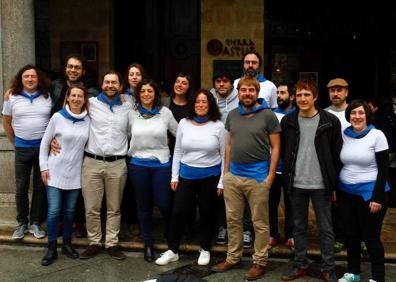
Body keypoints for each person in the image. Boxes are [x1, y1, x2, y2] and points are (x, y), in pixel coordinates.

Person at [211, 76, 281, 281]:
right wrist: (225, 174)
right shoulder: (232, 115)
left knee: (259, 223)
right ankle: (233, 257)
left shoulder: (268, 115)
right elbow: (229, 146)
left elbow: (276, 147)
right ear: (238, 92)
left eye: (251, 90)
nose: (247, 93)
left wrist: (270, 176)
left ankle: (259, 262)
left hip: (258, 177)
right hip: (234, 176)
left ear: (257, 93)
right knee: (233, 220)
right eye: (243, 90)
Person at [280, 79, 342, 282]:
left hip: (321, 184)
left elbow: (336, 155)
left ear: (315, 97)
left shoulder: (330, 121)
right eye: (299, 95)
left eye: (307, 94)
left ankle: (328, 267)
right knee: (298, 227)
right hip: (296, 183)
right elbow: (283, 151)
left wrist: (333, 184)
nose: (303, 98)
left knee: (326, 228)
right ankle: (300, 264)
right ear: (294, 97)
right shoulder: (288, 121)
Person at [155, 89, 225, 266]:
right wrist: (174, 176)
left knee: (207, 214)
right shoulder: (184, 123)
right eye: (197, 102)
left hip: (210, 176)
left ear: (210, 104)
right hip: (185, 176)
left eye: (204, 102)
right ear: (193, 104)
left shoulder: (218, 125)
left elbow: (225, 155)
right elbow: (177, 150)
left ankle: (205, 248)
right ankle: (173, 250)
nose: (201, 105)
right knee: (178, 212)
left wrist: (222, 181)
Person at [78, 71, 131, 260]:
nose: (110, 85)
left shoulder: (128, 105)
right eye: (107, 82)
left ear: (120, 86)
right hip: (92, 162)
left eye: (114, 82)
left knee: (114, 207)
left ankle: (111, 243)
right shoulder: (90, 103)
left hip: (117, 163)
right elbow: (69, 111)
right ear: (102, 84)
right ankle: (94, 242)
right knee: (91, 207)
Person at [338, 100, 389, 282]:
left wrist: (377, 198)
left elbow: (384, 169)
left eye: (361, 113)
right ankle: (353, 272)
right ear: (348, 116)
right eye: (353, 113)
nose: (357, 117)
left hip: (370, 194)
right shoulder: (345, 135)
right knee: (351, 235)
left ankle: (378, 277)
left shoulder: (377, 135)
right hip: (346, 193)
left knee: (371, 237)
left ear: (367, 115)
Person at [39, 83, 90, 266]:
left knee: (69, 212)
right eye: (73, 95)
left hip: (76, 174)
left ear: (84, 100)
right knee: (54, 211)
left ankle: (67, 244)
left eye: (80, 96)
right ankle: (51, 248)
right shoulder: (57, 117)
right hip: (55, 171)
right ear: (67, 97)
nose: (76, 99)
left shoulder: (88, 120)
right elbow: (45, 143)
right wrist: (43, 168)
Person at [128, 79, 178, 262]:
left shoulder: (165, 113)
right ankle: (147, 244)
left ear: (155, 94)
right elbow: (124, 134)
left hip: (161, 165)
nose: (146, 94)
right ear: (138, 94)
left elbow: (179, 133)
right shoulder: (132, 114)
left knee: (164, 204)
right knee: (143, 206)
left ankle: (171, 240)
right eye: (143, 92)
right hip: (138, 165)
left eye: (150, 91)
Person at [50, 53, 98, 238]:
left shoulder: (91, 90)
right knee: (57, 186)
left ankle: (78, 222)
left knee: (78, 188)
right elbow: (50, 112)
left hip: (80, 145)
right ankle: (60, 223)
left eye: (77, 67)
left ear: (83, 71)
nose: (73, 70)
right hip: (60, 145)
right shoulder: (56, 86)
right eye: (70, 66)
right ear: (65, 68)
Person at [2, 64, 51, 240]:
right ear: (21, 79)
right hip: (22, 148)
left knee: (40, 187)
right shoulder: (12, 97)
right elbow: (7, 122)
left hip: (42, 150)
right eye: (26, 76)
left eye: (33, 76)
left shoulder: (47, 96)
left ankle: (35, 223)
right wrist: (14, 142)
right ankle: (22, 222)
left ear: (38, 79)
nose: (30, 79)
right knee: (21, 187)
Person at [209, 71, 239, 245]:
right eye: (218, 81)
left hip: (236, 152)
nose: (221, 84)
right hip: (215, 152)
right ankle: (221, 226)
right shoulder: (209, 98)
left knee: (235, 192)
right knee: (219, 192)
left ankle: (241, 228)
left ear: (231, 84)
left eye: (225, 80)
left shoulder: (239, 99)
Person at [268, 82, 296, 250]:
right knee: (271, 203)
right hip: (272, 167)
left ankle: (291, 235)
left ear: (292, 96)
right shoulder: (271, 115)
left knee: (291, 203)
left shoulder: (297, 114)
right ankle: (273, 234)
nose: (279, 96)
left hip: (291, 168)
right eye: (278, 92)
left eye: (283, 92)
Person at [325, 78, 350, 253]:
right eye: (332, 90)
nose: (335, 93)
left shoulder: (355, 111)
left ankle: (357, 237)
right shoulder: (324, 113)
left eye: (339, 90)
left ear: (346, 92)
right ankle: (339, 237)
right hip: (332, 163)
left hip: (352, 162)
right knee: (334, 202)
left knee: (352, 202)